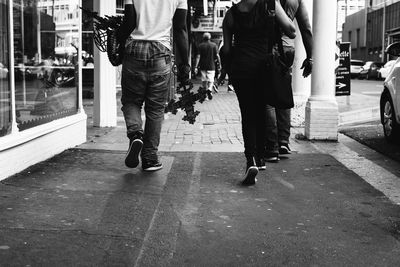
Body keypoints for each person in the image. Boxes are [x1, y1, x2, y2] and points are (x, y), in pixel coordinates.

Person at [222, 0, 296, 185]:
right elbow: (291, 31)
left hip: (241, 68)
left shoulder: (231, 14)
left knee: (248, 114)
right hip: (264, 67)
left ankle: (251, 160)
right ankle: (261, 157)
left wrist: (226, 71)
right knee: (262, 109)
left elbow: (227, 49)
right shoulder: (270, 4)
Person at [119, 0, 190, 171]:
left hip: (134, 50)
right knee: (156, 109)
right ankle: (150, 158)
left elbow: (129, 21)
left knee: (131, 101)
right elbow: (180, 28)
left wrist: (119, 45)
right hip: (160, 53)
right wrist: (184, 64)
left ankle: (136, 133)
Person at [264, 0, 313, 162]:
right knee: (283, 91)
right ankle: (284, 140)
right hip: (288, 49)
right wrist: (310, 57)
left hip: (268, 47)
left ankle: (271, 146)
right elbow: (306, 28)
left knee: (268, 97)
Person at [194, 32, 221, 100]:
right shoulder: (214, 45)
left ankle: (205, 95)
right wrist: (219, 64)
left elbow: (198, 56)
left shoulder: (200, 46)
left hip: (203, 66)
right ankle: (209, 89)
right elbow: (217, 56)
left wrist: (196, 66)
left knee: (204, 81)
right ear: (210, 38)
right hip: (211, 66)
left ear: (203, 38)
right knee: (211, 80)